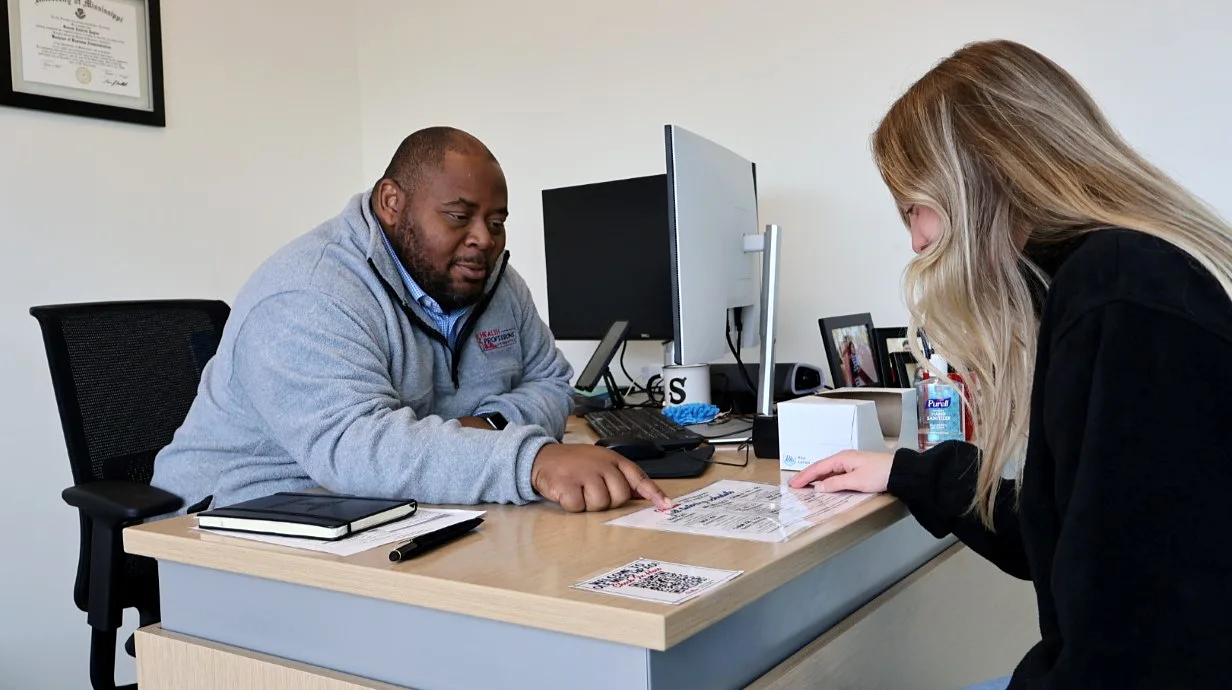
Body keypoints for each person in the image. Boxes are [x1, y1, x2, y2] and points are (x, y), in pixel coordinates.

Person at [790, 40, 1232, 689]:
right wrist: (907, 472)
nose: (915, 241)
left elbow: (1139, 648)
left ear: (981, 173)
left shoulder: (1120, 296)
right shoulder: (1112, 282)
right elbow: (1065, 533)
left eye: (915, 206)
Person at [151, 126, 670, 515]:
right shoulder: (308, 291)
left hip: (391, 505)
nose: (484, 239)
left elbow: (552, 380)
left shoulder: (493, 282)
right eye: (458, 215)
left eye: (496, 221)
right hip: (240, 518)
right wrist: (527, 459)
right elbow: (356, 448)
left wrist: (488, 428)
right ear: (392, 202)